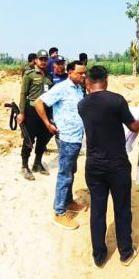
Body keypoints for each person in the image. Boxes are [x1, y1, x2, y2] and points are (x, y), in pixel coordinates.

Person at [78, 65, 139, 267]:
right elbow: (132, 126)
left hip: (94, 165)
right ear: (106, 81)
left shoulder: (82, 105)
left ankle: (99, 256)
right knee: (122, 208)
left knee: (98, 210)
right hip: (117, 165)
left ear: (87, 82)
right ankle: (125, 252)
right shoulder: (117, 100)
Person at [35, 61, 88, 230]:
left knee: (71, 172)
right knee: (65, 175)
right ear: (70, 73)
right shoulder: (62, 88)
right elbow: (38, 102)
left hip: (76, 137)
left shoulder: (79, 88)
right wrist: (48, 124)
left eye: (84, 73)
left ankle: (68, 202)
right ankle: (59, 213)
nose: (83, 76)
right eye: (80, 73)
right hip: (66, 138)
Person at [16, 49, 53, 181]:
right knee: (29, 139)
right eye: (41, 59)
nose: (43, 62)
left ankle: (37, 163)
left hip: (45, 111)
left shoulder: (49, 76)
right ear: (36, 60)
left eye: (45, 59)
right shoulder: (29, 75)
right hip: (32, 111)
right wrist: (21, 113)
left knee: (43, 138)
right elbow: (23, 94)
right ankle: (24, 166)